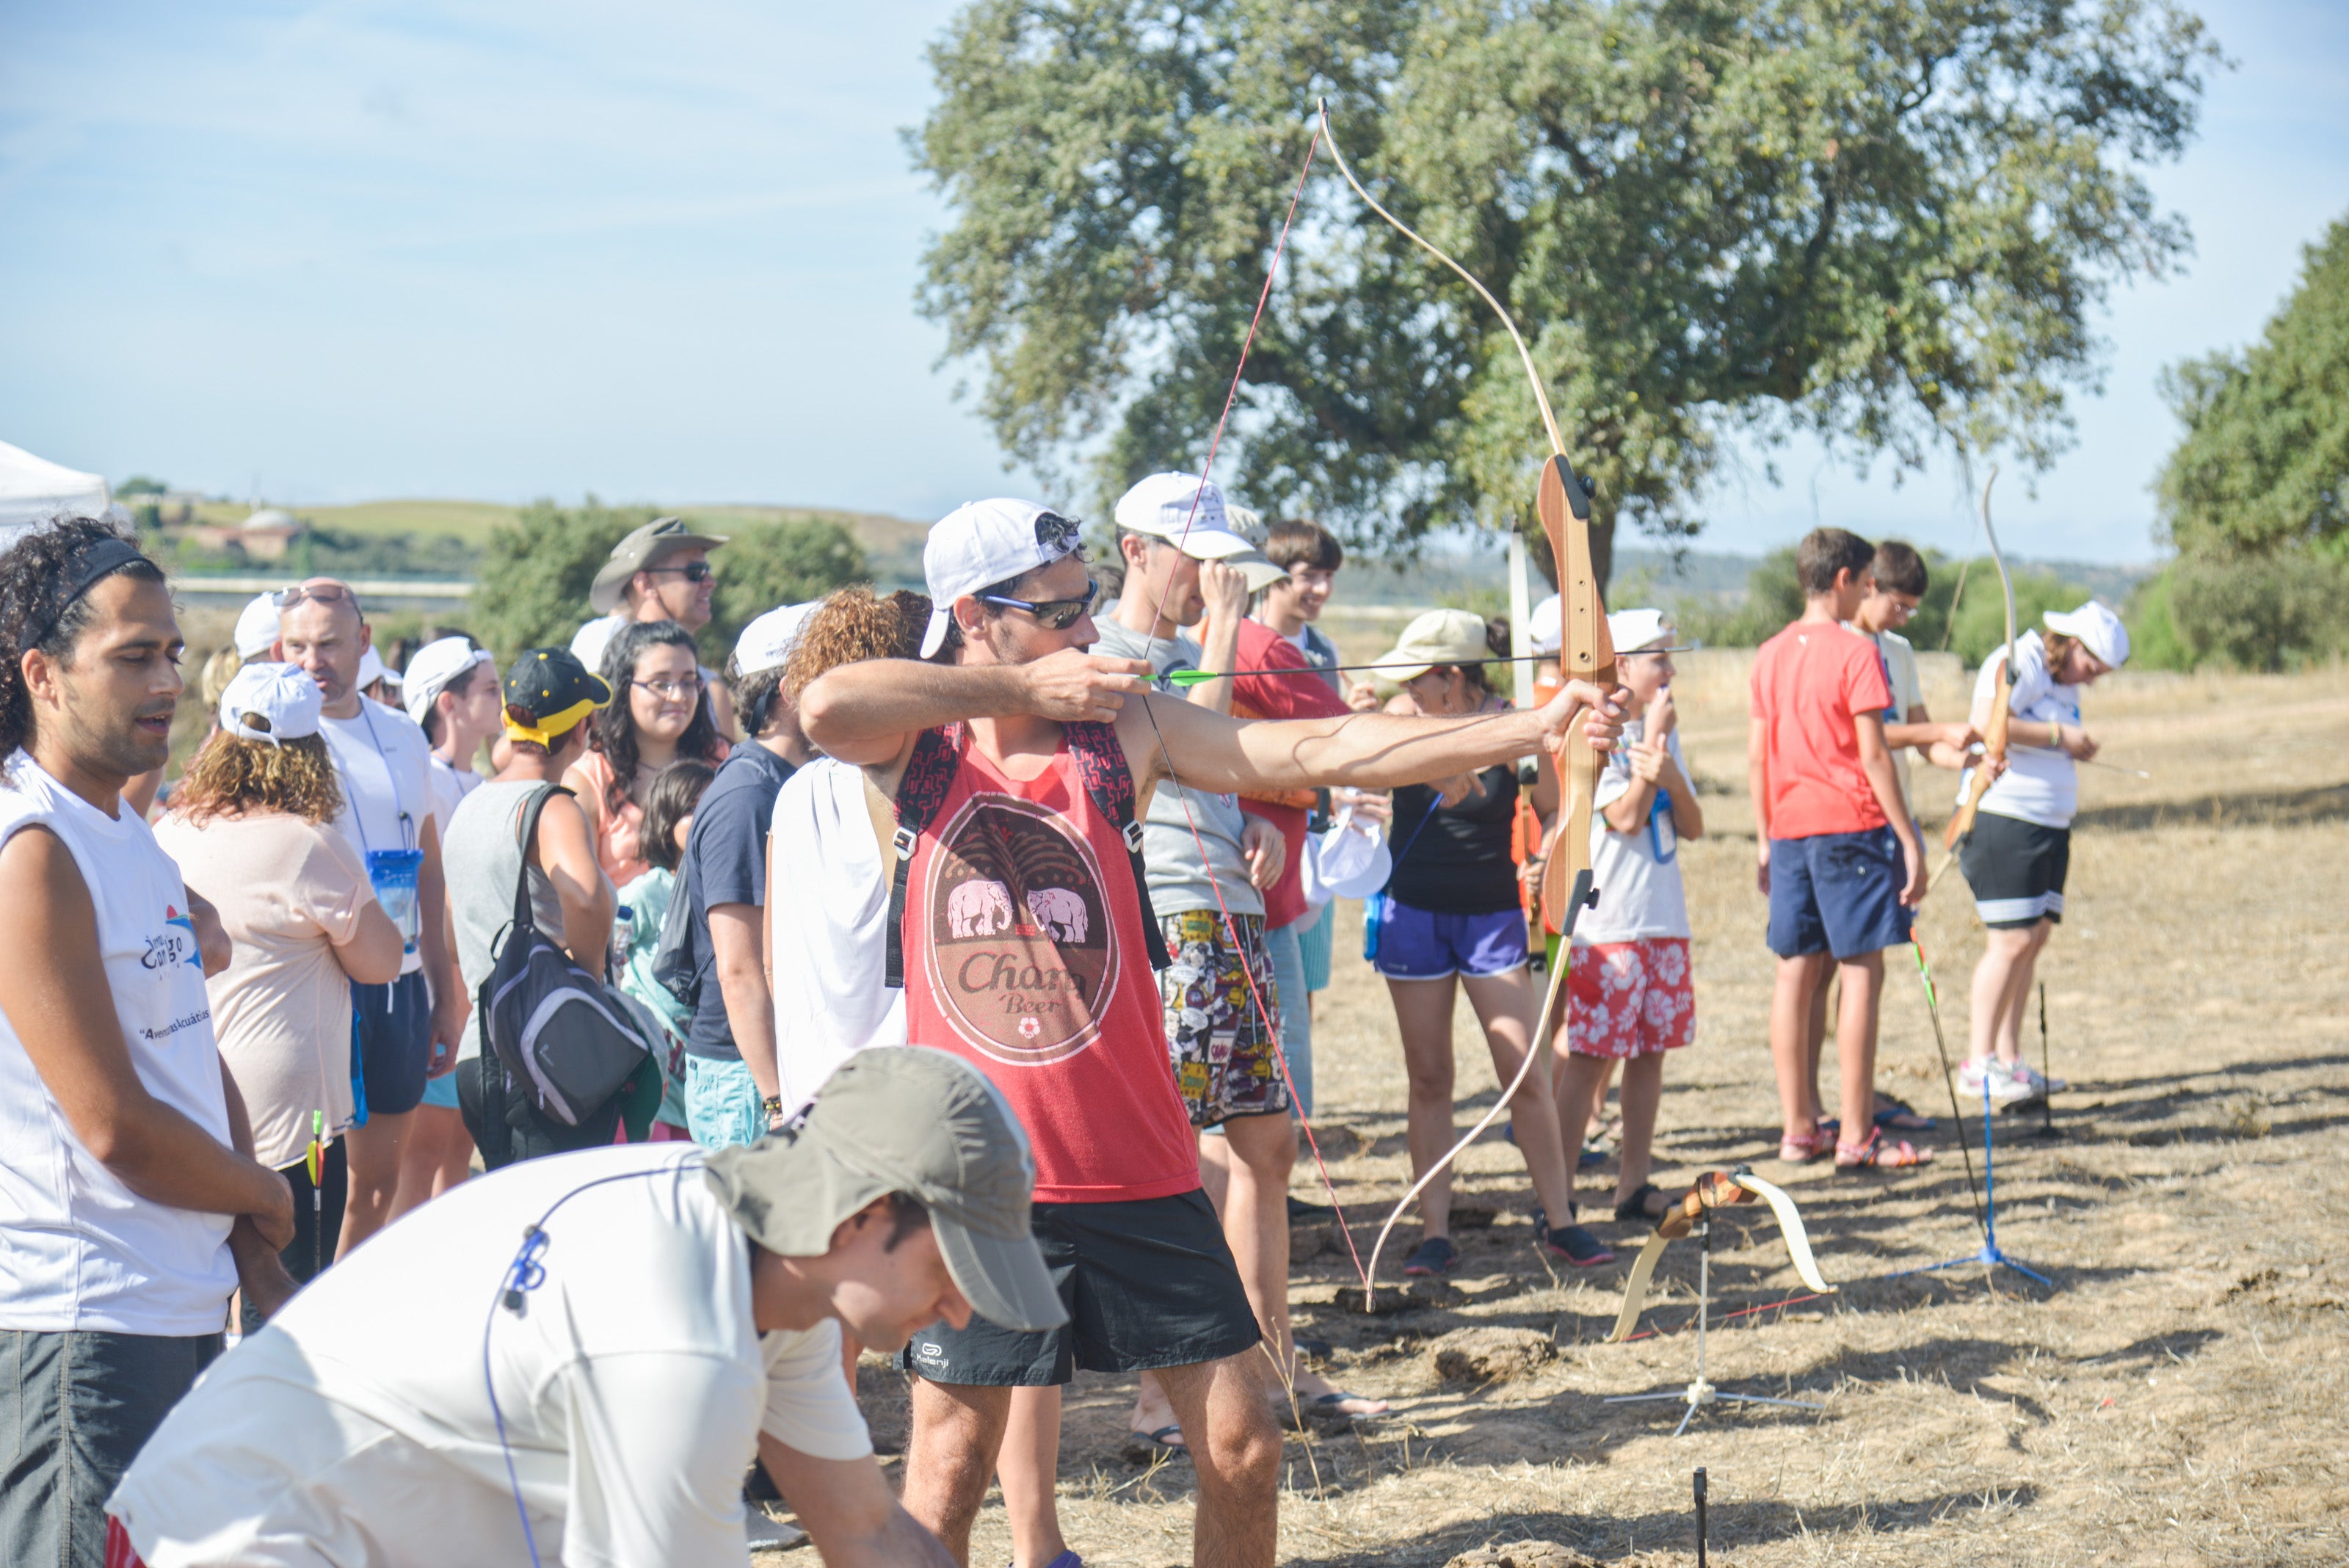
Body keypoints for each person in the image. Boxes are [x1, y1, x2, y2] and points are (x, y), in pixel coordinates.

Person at [798, 497, 1622, 1568]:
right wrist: (1020, 687)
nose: (1088, 630)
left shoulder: (1122, 731)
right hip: (982, 1181)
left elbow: (1318, 744)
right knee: (949, 1468)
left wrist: (1529, 726)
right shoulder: (915, 746)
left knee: (1242, 1446)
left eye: (1088, 600)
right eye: (1057, 612)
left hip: (1137, 1163)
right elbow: (825, 704)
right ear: (976, 615)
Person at [106, 1048, 1064, 1568]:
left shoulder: (780, 1285)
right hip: (230, 1537)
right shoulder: (678, 1339)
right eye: (959, 1266)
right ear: (864, 1213)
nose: (960, 1310)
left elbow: (867, 1535)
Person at [0, 520, 297, 1568]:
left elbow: (183, 1049)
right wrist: (257, 1194)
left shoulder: (124, 829)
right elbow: (114, 1123)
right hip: (80, 1331)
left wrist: (248, 1236)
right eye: (132, 656)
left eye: (170, 652)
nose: (165, 678)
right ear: (41, 673)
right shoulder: (30, 849)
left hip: (166, 1310)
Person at [1093, 474, 1308, 1451]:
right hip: (1169, 924)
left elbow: (1228, 769)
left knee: (1266, 1147)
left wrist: (1258, 823)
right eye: (1199, 562)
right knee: (1185, 1165)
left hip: (1232, 912)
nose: (1214, 585)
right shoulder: (1098, 657)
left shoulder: (1186, 652)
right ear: (1135, 550)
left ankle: (1273, 1370)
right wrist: (1224, 635)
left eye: (1230, 572)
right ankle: (1163, 1397)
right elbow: (1190, 745)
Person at [153, 662, 407, 1305]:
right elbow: (383, 962)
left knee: (204, 1295)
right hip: (293, 1117)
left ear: (219, 736)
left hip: (189, 1091)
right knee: (288, 1298)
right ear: (310, 754)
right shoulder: (309, 844)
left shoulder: (169, 832)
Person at [1363, 609, 1605, 1271]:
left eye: (1419, 678)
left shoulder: (1519, 723)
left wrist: (1551, 849)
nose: (1408, 689)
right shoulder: (1399, 716)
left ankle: (1561, 1220)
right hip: (1413, 911)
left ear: (1452, 676)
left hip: (1493, 914)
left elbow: (1554, 808)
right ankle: (1434, 1233)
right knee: (1430, 1075)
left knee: (1522, 1070)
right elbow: (1364, 773)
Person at [272, 580, 465, 1249]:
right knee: (301, 1188)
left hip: (401, 980)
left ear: (364, 642)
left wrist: (446, 989)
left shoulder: (405, 736)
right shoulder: (273, 741)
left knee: (377, 1184)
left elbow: (430, 863)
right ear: (278, 650)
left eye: (328, 644)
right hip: (315, 982)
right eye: (297, 647)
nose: (312, 661)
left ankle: (341, 1314)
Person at [1748, 529, 1932, 1171]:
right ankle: (1856, 1133)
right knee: (1861, 972)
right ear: (1847, 579)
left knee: (1794, 972)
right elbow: (1873, 752)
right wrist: (1909, 839)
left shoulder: (1769, 654)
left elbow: (1757, 754)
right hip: (1850, 825)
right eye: (1865, 582)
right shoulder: (1857, 655)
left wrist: (1765, 833)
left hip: (1790, 827)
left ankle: (1799, 1127)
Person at [1814, 541, 1983, 1136]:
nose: (1903, 618)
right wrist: (1934, 730)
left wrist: (1968, 760)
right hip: (1847, 820)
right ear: (1867, 588)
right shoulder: (1834, 647)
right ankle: (1820, 1108)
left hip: (1892, 822)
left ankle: (1853, 1101)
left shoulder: (1900, 651)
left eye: (1913, 610)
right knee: (1827, 969)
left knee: (1865, 965)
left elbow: (1915, 733)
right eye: (1899, 605)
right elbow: (1876, 738)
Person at [1550, 611, 1704, 1225]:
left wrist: (1666, 760)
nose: (1669, 671)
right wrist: (1656, 750)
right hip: (1608, 923)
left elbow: (1691, 824)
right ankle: (1557, 1188)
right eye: (1658, 659)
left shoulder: (1661, 734)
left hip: (1661, 917)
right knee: (1590, 1058)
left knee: (1651, 1052)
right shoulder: (1599, 732)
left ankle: (1632, 1184)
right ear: (1624, 667)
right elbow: (1625, 817)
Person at [443, 649, 627, 1165]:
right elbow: (588, 897)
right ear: (582, 728)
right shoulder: (552, 804)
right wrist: (587, 979)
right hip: (545, 1057)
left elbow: (450, 942)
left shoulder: (472, 804)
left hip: (479, 1058)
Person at [767, 587, 933, 1111]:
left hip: (809, 1087)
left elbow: (771, 954)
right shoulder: (917, 787)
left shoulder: (794, 791)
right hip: (900, 1088)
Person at [1958, 602, 2128, 1103]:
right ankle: (1978, 1063)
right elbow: (1987, 723)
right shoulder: (2022, 661)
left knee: (2033, 940)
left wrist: (2069, 746)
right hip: (2006, 821)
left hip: (2049, 825)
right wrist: (2060, 736)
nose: (2092, 680)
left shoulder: (2063, 679)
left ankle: (2009, 1061)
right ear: (2074, 644)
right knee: (2010, 942)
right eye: (2092, 668)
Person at [678, 606, 816, 1147]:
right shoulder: (750, 796)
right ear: (790, 691)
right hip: (748, 1081)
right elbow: (739, 969)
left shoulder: (780, 782)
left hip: (765, 1072)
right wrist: (779, 1101)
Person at [395, 635, 504, 1206]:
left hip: (473, 990)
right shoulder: (425, 781)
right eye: (489, 688)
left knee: (459, 1149)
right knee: (422, 1152)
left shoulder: (481, 784)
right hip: (442, 988)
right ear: (448, 703)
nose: (502, 698)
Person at [568, 618, 729, 890]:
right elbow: (577, 895)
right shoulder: (587, 780)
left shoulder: (719, 759)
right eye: (660, 683)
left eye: (688, 682)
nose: (678, 696)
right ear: (623, 687)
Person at [612, 758, 717, 1141]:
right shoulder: (646, 892)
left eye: (713, 804)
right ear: (666, 817)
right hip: (651, 1074)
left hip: (701, 1078)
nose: (705, 816)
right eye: (692, 808)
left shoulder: (723, 893)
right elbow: (610, 958)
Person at [572, 515, 740, 736]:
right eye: (695, 573)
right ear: (646, 584)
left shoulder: (711, 688)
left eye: (707, 572)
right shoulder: (600, 642)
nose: (710, 582)